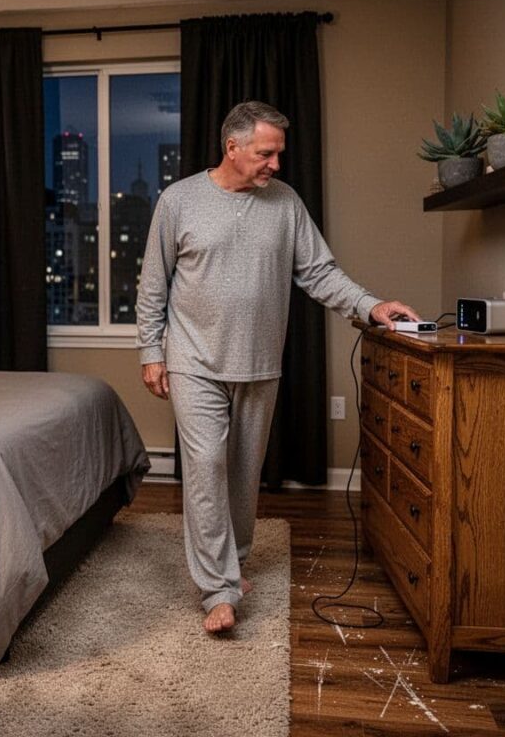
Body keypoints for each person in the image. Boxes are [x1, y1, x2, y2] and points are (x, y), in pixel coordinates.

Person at [136, 100, 419, 634]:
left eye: (278, 154)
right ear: (233, 147)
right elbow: (154, 285)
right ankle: (217, 590)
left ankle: (233, 561)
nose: (275, 164)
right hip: (194, 359)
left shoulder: (285, 203)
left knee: (244, 471)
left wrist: (371, 306)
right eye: (266, 153)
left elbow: (320, 273)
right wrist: (152, 350)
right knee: (205, 470)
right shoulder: (179, 201)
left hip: (260, 361)